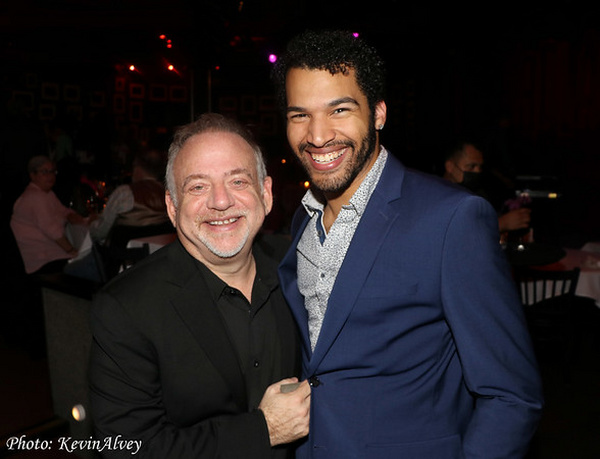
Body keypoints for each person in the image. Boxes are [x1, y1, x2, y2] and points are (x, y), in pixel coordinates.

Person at [273, 30, 543, 458]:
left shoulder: (451, 219)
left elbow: (511, 395)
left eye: (339, 109)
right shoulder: (303, 220)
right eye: (299, 115)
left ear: (378, 113)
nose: (317, 135)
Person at [89, 113, 310, 458]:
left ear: (266, 194)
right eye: (198, 186)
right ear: (172, 207)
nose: (220, 201)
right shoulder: (125, 309)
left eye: (238, 181)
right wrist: (262, 430)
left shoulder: (299, 267)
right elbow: (127, 449)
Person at [10, 155, 86, 275]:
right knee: (89, 265)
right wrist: (73, 251)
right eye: (44, 172)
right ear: (32, 175)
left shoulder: (46, 194)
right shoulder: (35, 197)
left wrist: (70, 215)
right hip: (43, 260)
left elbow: (62, 210)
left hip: (50, 253)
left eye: (52, 171)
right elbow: (53, 231)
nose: (50, 176)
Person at [443, 140, 532, 235]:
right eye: (471, 166)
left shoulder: (477, 193)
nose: (477, 171)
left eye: (480, 167)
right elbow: (453, 234)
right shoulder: (439, 197)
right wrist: (500, 224)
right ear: (450, 166)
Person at [88, 148, 170, 243]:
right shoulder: (170, 194)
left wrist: (91, 223)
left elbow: (100, 232)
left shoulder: (124, 193)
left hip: (125, 255)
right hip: (161, 254)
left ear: (138, 168)